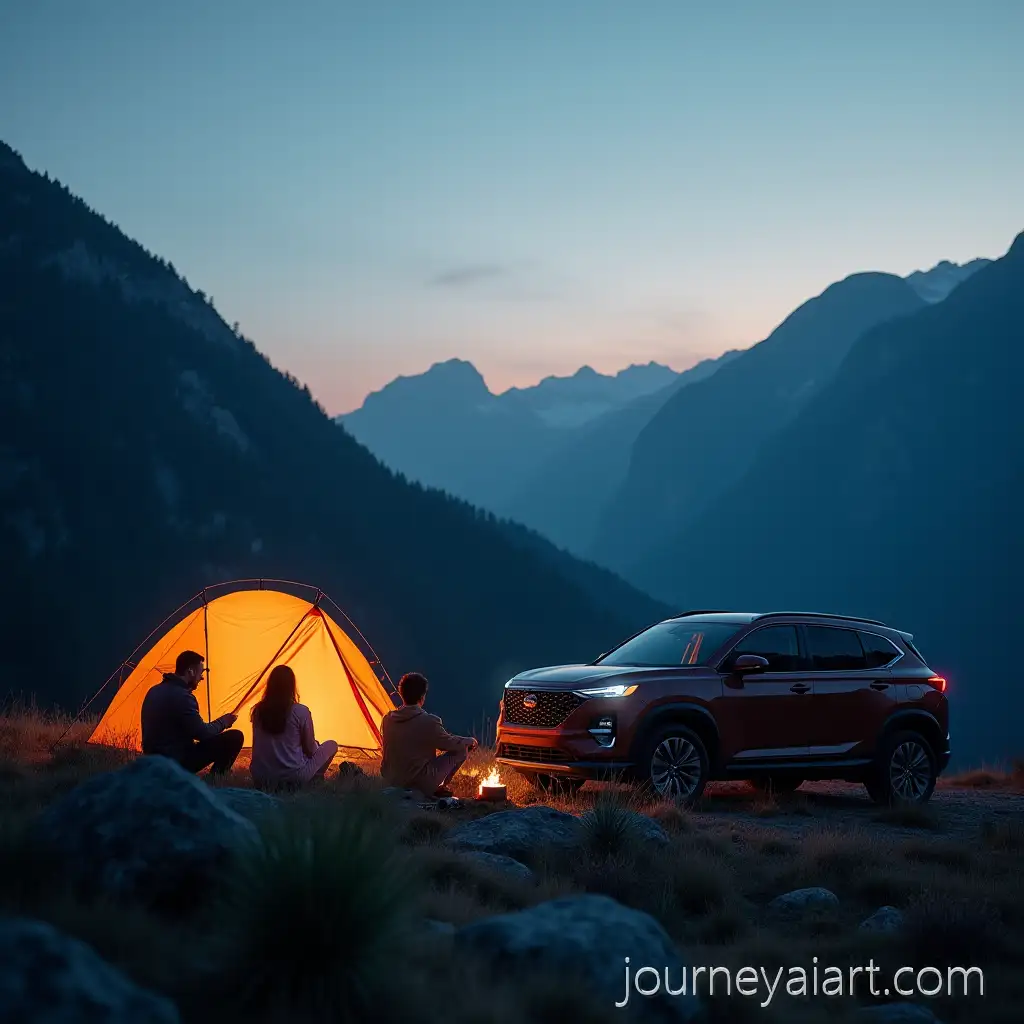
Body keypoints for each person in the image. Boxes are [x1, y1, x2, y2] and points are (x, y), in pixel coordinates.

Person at [140, 650, 243, 775]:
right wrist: (224, 722)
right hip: (175, 762)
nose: (202, 677)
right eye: (201, 672)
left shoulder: (153, 691)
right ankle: (214, 779)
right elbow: (203, 733)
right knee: (235, 737)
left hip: (153, 760)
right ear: (190, 671)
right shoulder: (182, 696)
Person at [380, 672, 477, 798]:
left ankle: (435, 788)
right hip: (417, 782)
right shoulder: (428, 721)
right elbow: (448, 743)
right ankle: (439, 788)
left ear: (401, 694)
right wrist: (469, 741)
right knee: (461, 750)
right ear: (422, 697)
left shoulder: (387, 719)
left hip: (391, 779)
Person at [249, 664, 339, 790]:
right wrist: (315, 747)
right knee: (331, 745)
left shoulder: (258, 710)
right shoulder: (300, 711)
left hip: (261, 778)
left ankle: (311, 777)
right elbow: (311, 749)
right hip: (293, 778)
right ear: (292, 686)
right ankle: (316, 778)